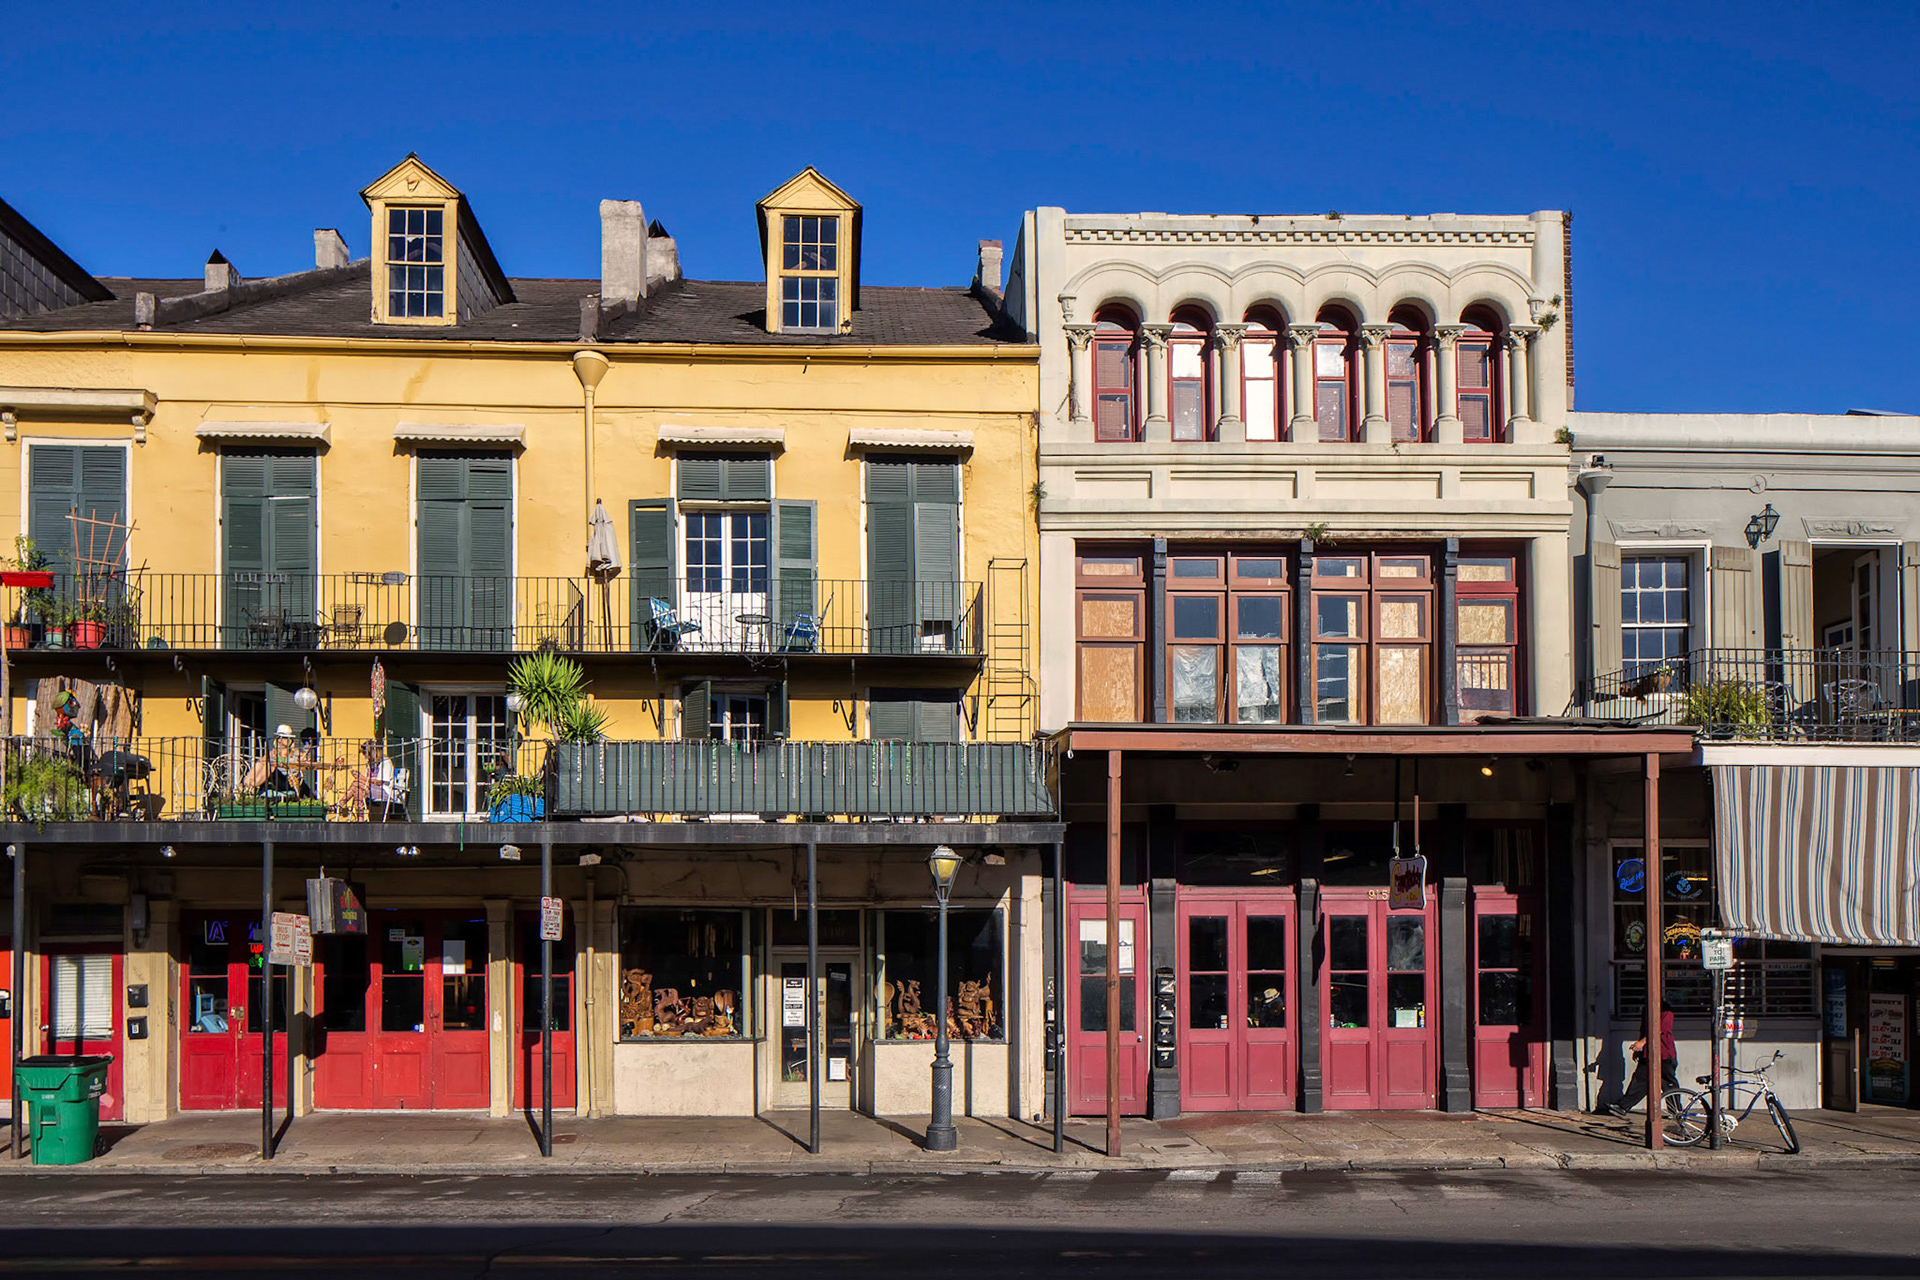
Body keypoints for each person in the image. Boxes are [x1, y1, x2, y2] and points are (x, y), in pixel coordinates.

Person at [1610, 997, 1678, 1116]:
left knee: (1668, 1083)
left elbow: (1660, 1031)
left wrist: (1642, 1043)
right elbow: (1645, 1031)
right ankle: (1623, 1106)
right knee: (1640, 1080)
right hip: (1649, 1053)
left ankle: (1677, 1111)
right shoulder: (1647, 1011)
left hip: (1664, 1054)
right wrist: (1640, 1049)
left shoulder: (1666, 1012)